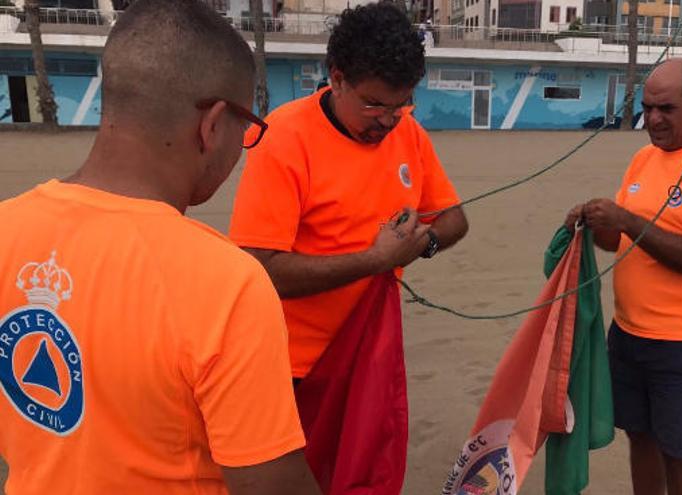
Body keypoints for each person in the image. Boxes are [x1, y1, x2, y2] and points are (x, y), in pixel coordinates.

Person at [0, 1, 319, 494]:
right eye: (248, 128)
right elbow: (271, 486)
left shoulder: (7, 226)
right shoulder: (226, 284)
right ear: (212, 125)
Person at [229, 2, 468, 385]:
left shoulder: (407, 132)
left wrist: (425, 243)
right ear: (337, 80)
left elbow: (454, 218)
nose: (388, 120)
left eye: (401, 104)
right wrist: (374, 259)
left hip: (370, 352)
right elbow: (260, 270)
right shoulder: (285, 137)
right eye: (373, 104)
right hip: (292, 364)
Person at [565, 58, 682, 495]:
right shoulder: (643, 158)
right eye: (647, 107)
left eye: (666, 108)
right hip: (629, 333)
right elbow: (618, 241)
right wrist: (593, 223)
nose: (652, 119)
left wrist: (627, 219)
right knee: (640, 436)